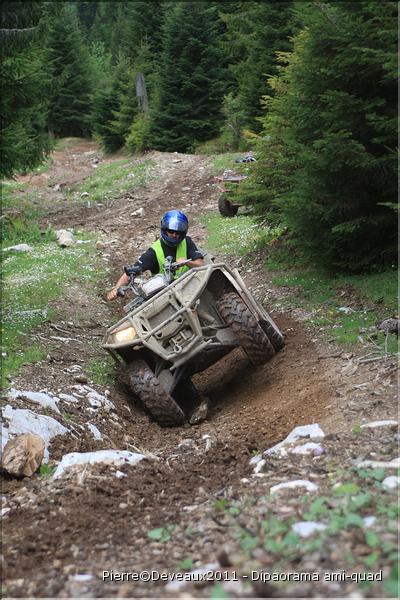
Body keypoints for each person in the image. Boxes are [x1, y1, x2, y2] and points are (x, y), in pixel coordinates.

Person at [107, 210, 204, 300]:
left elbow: (201, 264)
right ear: (164, 229)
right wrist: (116, 289)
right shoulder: (153, 251)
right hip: (166, 295)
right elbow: (130, 273)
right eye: (171, 231)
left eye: (178, 232)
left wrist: (187, 262)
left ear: (183, 233)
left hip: (192, 285)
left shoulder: (187, 242)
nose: (174, 235)